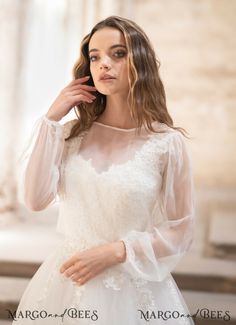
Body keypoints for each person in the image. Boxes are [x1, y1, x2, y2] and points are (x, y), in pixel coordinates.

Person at [14, 15, 195, 324]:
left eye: (118, 53)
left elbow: (181, 231)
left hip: (134, 290)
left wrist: (116, 251)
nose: (103, 64)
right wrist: (51, 120)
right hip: (67, 284)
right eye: (94, 57)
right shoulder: (72, 134)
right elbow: (35, 199)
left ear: (140, 61)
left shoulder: (167, 144)